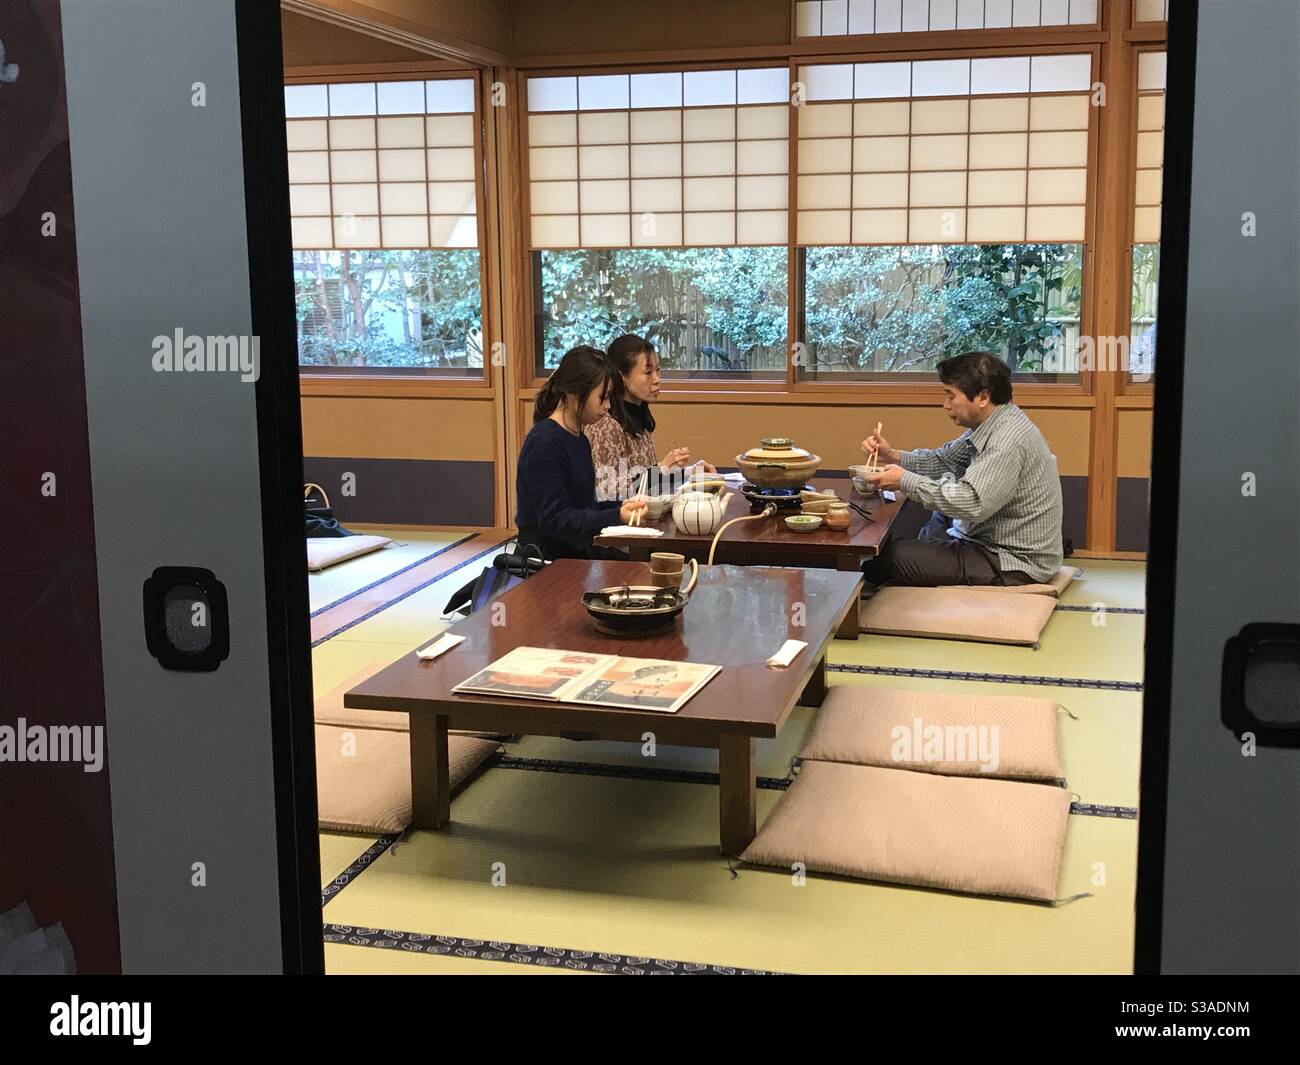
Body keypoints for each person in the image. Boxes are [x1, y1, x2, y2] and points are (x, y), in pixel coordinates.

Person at [860, 352, 1063, 588]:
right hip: (983, 534)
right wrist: (891, 454)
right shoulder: (993, 422)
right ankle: (928, 558)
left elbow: (971, 503)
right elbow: (943, 462)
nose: (945, 405)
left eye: (950, 396)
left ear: (983, 397)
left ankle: (924, 560)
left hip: (1009, 560)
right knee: (937, 516)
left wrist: (905, 481)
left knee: (889, 558)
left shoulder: (1006, 441)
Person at [515, 346, 646, 559]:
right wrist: (615, 516)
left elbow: (583, 507)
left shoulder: (579, 438)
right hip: (547, 559)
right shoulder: (545, 442)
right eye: (602, 398)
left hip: (574, 552)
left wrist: (623, 505)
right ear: (575, 394)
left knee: (642, 566)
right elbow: (553, 520)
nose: (607, 406)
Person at [585, 334, 716, 501]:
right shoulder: (605, 424)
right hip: (619, 524)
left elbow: (645, 483)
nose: (657, 379)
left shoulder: (639, 416)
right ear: (621, 377)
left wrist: (691, 472)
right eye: (648, 372)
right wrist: (660, 468)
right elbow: (606, 492)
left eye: (658, 370)